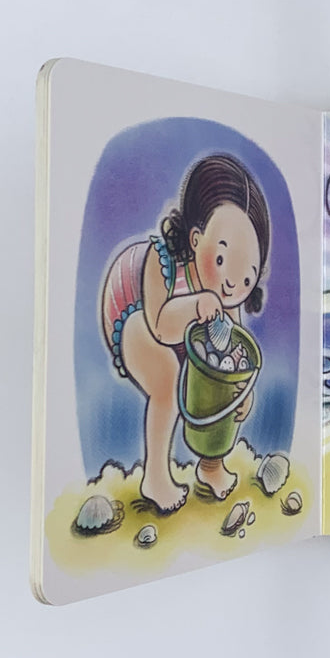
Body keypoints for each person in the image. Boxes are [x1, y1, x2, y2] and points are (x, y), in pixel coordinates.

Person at [101, 154, 270, 511]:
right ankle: (155, 477)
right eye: (221, 260)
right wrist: (196, 305)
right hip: (134, 313)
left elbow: (231, 353)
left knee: (221, 379)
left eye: (246, 277)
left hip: (186, 338)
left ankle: (211, 467)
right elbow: (161, 327)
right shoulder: (162, 259)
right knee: (167, 375)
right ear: (195, 238)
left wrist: (242, 392)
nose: (231, 286)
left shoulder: (227, 295)